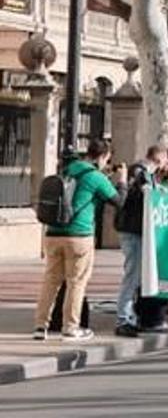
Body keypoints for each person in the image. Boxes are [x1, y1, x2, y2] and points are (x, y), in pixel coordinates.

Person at [33, 138, 128, 343]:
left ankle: (41, 326)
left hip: (53, 233)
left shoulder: (67, 169)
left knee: (51, 281)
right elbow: (119, 201)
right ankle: (71, 327)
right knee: (76, 282)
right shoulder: (95, 176)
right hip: (79, 235)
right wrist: (121, 181)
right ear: (103, 156)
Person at [113, 143, 168, 337]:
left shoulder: (148, 175)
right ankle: (123, 318)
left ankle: (132, 316)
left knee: (137, 276)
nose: (167, 163)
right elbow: (142, 195)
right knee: (132, 274)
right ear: (159, 158)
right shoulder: (139, 172)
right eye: (166, 159)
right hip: (133, 230)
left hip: (138, 230)